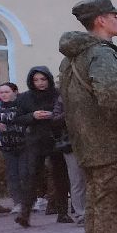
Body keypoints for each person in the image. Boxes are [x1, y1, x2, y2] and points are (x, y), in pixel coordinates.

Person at [58, 0, 117, 233]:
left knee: (95, 198)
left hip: (85, 138)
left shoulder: (73, 57)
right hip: (108, 139)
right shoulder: (101, 53)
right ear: (101, 20)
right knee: (110, 199)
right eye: (114, 15)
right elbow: (112, 95)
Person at [16, 66, 70, 223]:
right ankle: (24, 214)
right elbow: (18, 118)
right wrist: (33, 116)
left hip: (56, 139)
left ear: (49, 79)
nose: (40, 83)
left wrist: (53, 116)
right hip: (35, 141)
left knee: (60, 176)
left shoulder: (58, 94)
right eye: (36, 80)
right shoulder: (25, 97)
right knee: (32, 176)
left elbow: (66, 113)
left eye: (43, 79)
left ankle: (62, 213)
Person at [0, 83, 30, 227]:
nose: (4, 95)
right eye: (1, 92)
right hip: (6, 148)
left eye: (7, 92)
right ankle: (17, 203)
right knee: (12, 176)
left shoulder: (21, 107)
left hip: (24, 146)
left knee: (25, 174)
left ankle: (29, 202)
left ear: (15, 92)